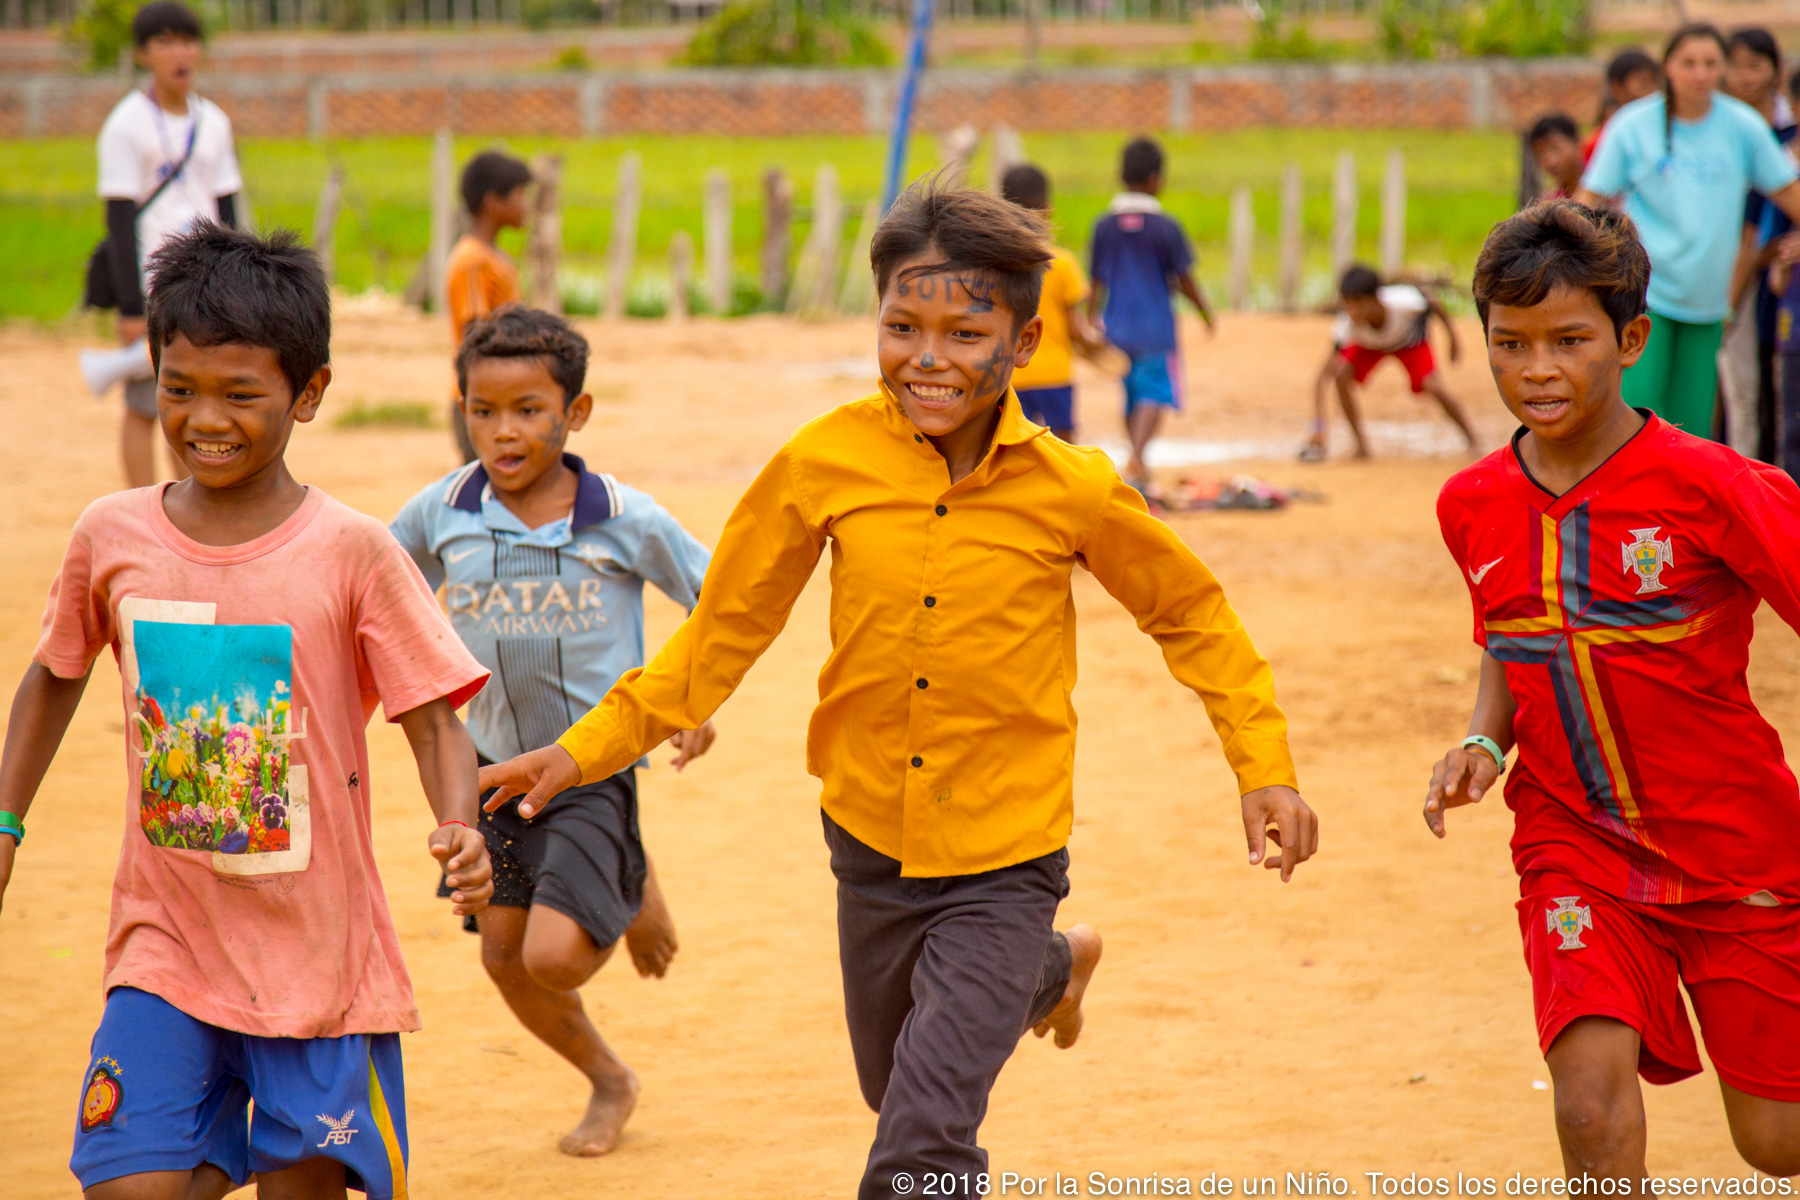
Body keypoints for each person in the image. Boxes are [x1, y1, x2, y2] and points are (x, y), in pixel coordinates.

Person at [475, 183, 1317, 1200]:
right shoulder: (822, 460)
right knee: (894, 1085)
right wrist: (579, 755)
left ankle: (1023, 955)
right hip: (869, 838)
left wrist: (1261, 764)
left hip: (1008, 850)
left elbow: (1193, 614)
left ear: (1024, 338)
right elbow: (718, 638)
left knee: (919, 1152)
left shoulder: (1075, 488)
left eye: (966, 331)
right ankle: (1049, 971)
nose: (929, 356)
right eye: (903, 326)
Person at [0, 224, 495, 1198]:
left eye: (240, 393)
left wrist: (459, 826)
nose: (204, 418)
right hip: (166, 938)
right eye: (180, 388)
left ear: (307, 395)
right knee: (127, 1184)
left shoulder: (349, 551)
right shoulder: (113, 536)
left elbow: (432, 713)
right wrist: (6, 818)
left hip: (318, 960)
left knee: (299, 1189)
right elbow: (56, 672)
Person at [1430, 200, 1800, 1184]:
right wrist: (1480, 744)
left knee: (1777, 1144)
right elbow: (1515, 642)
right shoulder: (1469, 505)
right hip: (1573, 845)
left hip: (1735, 848)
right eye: (1510, 344)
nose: (1537, 369)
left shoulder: (1716, 487)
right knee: (1588, 1110)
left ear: (1632, 339)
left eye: (1569, 341)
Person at [389, 305, 715, 1158]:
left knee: (555, 958)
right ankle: (610, 1079)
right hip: (492, 768)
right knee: (502, 958)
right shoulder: (441, 512)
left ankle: (623, 874)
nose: (503, 432)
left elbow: (717, 599)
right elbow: (380, 591)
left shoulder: (622, 517)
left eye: (529, 410)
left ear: (576, 414)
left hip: (590, 766)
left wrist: (694, 698)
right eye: (482, 411)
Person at [1576, 23, 1800, 435]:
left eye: (1710, 63)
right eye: (1689, 63)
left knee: (1690, 430)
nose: (1700, 73)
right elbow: (1586, 201)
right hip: (1646, 295)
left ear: (1723, 70)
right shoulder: (1633, 124)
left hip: (1708, 302)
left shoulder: (1742, 126)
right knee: (1636, 418)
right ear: (1668, 67)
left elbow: (1789, 192)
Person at [96, 0, 242, 490]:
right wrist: (130, 306)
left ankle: (192, 499)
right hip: (153, 283)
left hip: (205, 282)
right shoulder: (126, 124)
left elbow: (228, 210)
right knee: (145, 402)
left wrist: (236, 282)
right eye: (165, 42)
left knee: (198, 395)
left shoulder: (215, 123)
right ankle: (141, 503)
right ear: (143, 54)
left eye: (187, 40)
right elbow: (118, 220)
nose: (179, 53)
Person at [1087, 135, 1216, 490]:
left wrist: (1087, 322)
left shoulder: (1104, 225)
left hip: (1116, 325)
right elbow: (1184, 278)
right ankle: (1139, 460)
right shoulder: (1166, 226)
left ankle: (1137, 463)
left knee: (1130, 394)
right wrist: (1205, 311)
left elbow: (1095, 281)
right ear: (1156, 179)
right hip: (1155, 327)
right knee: (1155, 394)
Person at [1301, 264, 1479, 461]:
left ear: (1376, 298)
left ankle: (1473, 440)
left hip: (1408, 341)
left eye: (1357, 304)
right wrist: (1318, 428)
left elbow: (1434, 304)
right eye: (1347, 304)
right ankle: (1361, 446)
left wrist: (1453, 340)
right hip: (1369, 346)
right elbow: (1322, 377)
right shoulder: (1346, 327)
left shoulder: (1404, 302)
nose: (1351, 311)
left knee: (1433, 385)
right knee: (1341, 374)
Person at [1720, 27, 1797, 461]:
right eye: (1737, 66)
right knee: (1743, 390)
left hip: (1775, 268)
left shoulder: (1785, 136)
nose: (1745, 76)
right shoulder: (1724, 132)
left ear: (1775, 71)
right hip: (1736, 268)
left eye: (1756, 65)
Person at [998, 162, 1102, 443]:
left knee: (1014, 444)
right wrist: (1096, 345)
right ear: (1047, 208)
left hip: (1009, 376)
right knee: (1063, 443)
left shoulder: (995, 266)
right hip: (1055, 376)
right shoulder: (1062, 264)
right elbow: (1076, 329)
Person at [445, 150, 532, 464]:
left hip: (500, 398)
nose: (527, 205)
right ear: (494, 202)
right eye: (520, 195)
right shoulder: (473, 261)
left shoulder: (495, 257)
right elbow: (476, 333)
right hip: (483, 400)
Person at [1582, 48, 1660, 165]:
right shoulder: (1598, 144)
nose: (1652, 93)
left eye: (1654, 83)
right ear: (1617, 88)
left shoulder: (1664, 133)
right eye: (1643, 83)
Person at [1527, 113, 1586, 201]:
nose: (1550, 162)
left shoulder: (1607, 187)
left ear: (1576, 142)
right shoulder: (1549, 204)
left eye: (1556, 148)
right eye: (1541, 154)